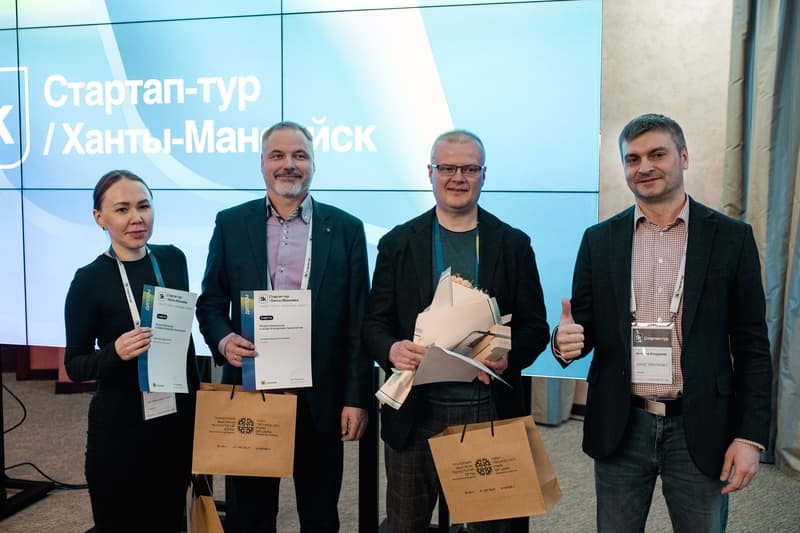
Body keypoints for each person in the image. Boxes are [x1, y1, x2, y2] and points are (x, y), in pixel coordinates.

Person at [552, 113, 772, 532]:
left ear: (683, 157)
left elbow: (752, 348)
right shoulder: (598, 240)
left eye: (657, 154)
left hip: (700, 424)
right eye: (632, 159)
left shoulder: (731, 238)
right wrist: (564, 342)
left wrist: (749, 436)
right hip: (622, 422)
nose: (645, 167)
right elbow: (582, 328)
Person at [362, 129, 550, 533]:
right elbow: (374, 323)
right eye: (447, 168)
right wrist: (392, 349)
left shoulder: (513, 244)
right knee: (406, 524)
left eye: (469, 169)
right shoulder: (398, 243)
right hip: (415, 412)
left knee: (491, 526)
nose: (458, 177)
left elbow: (536, 327)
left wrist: (508, 356)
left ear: (484, 174)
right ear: (430, 172)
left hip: (487, 408)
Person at [195, 120, 371, 532]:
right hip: (251, 387)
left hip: (321, 394)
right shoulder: (231, 224)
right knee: (250, 515)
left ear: (313, 164)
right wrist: (223, 340)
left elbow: (358, 321)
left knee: (320, 514)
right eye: (278, 155)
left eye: (299, 155)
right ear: (262, 163)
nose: (289, 164)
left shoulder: (346, 229)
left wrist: (355, 398)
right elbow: (211, 303)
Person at [64, 170, 199, 532]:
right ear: (100, 218)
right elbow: (75, 365)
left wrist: (196, 414)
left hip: (173, 421)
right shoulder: (88, 280)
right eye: (122, 209)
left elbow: (182, 343)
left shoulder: (173, 260)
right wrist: (115, 351)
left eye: (144, 206)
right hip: (120, 429)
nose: (137, 218)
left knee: (169, 519)